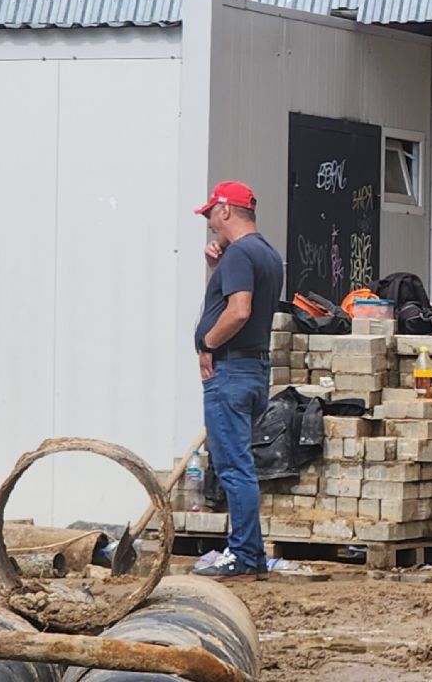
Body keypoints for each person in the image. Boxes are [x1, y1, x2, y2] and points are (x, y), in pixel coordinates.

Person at [190, 180, 284, 580]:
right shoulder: (264, 254)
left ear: (227, 210)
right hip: (253, 368)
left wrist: (208, 344)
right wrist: (216, 270)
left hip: (230, 370)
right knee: (239, 464)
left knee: (233, 467)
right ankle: (251, 553)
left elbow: (239, 311)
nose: (210, 222)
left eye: (212, 212)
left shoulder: (240, 254)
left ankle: (244, 554)